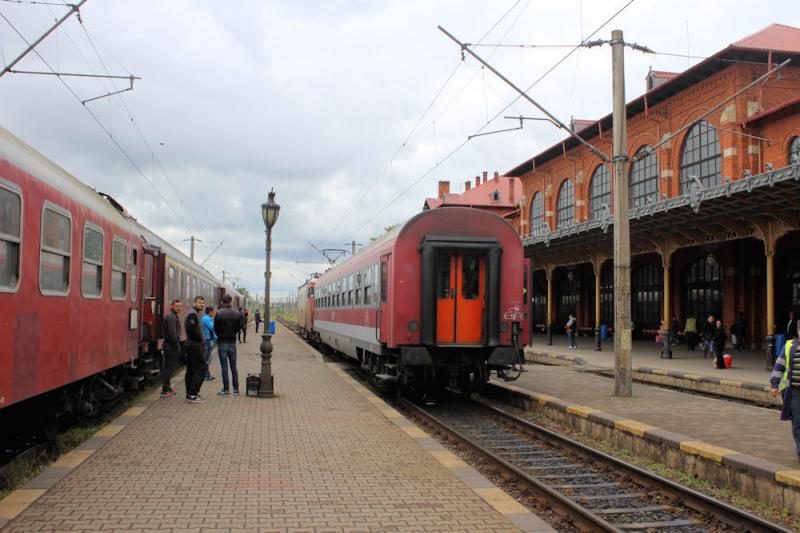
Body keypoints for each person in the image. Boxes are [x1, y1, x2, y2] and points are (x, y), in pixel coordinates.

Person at [770, 324, 800, 464]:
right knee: (797, 422)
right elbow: (779, 365)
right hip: (794, 391)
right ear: (798, 331)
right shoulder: (789, 346)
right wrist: (774, 384)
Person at [214, 294, 241, 395]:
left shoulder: (219, 314)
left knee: (224, 367)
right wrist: (233, 334)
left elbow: (215, 328)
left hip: (222, 343)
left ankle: (226, 389)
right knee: (234, 367)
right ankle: (236, 389)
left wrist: (220, 335)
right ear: (231, 302)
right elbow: (239, 327)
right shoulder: (236, 313)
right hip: (233, 343)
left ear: (222, 302)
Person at [183, 296, 207, 403]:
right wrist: (201, 339)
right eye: (199, 302)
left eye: (202, 303)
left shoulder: (194, 313)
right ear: (194, 303)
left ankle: (190, 394)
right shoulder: (192, 314)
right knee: (201, 369)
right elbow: (192, 330)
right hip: (195, 345)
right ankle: (193, 394)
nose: (201, 304)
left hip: (192, 345)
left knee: (191, 370)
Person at [161, 299, 182, 398]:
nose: (179, 308)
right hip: (171, 346)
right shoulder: (171, 317)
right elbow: (173, 334)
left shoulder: (173, 316)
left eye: (179, 306)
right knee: (169, 369)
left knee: (169, 368)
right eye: (177, 306)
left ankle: (168, 389)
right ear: (172, 306)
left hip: (170, 345)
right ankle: (165, 391)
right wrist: (177, 346)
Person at [201, 306, 217, 381]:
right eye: (213, 311)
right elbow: (213, 327)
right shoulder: (207, 319)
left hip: (208, 340)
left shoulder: (205, 318)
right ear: (210, 312)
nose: (213, 313)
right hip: (208, 340)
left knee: (207, 358)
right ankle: (205, 375)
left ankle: (207, 374)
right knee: (207, 359)